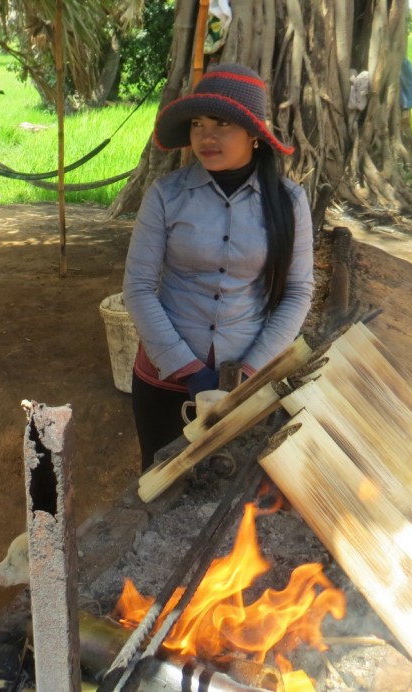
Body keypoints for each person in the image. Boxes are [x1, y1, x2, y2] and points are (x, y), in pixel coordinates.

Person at [123, 64, 315, 470]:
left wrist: (249, 372)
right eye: (197, 124)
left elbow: (298, 291)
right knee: (160, 482)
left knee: (233, 488)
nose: (205, 137)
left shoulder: (289, 201)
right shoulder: (166, 195)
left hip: (249, 378)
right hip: (165, 377)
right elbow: (138, 287)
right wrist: (188, 370)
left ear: (254, 134)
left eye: (222, 124)